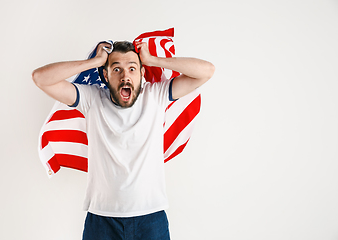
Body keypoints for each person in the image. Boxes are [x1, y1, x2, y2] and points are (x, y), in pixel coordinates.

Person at [32, 40, 214, 240]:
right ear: (105, 75)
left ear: (142, 74)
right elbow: (40, 78)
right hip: (102, 220)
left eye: (132, 68)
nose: (125, 76)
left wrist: (154, 60)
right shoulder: (92, 99)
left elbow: (207, 71)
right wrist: (94, 62)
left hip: (151, 219)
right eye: (116, 69)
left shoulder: (156, 95)